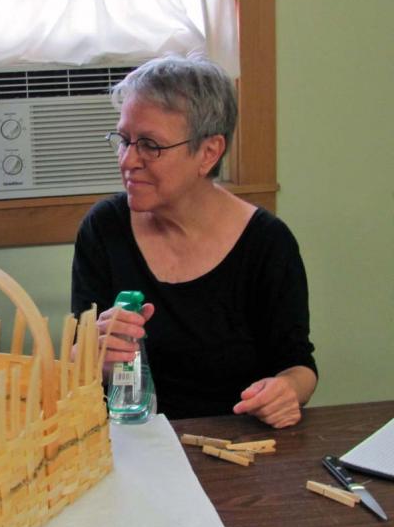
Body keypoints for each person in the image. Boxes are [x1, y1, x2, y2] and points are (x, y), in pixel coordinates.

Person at [71, 55, 317, 428]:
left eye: (150, 145)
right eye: (124, 140)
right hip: (129, 446)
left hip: (236, 448)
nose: (127, 160)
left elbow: (299, 366)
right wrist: (93, 354)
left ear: (208, 152)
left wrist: (284, 389)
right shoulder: (104, 228)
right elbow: (75, 359)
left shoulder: (267, 243)